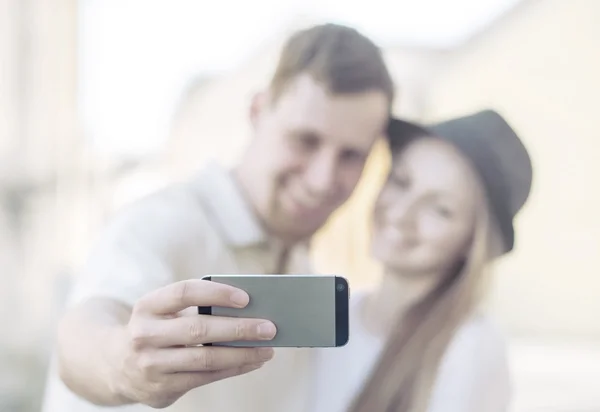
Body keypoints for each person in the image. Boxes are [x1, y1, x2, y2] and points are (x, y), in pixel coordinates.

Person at [41, 23, 394, 412]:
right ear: (258, 111)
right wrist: (124, 365)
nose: (322, 179)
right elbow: (82, 334)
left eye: (351, 155)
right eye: (305, 140)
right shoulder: (166, 222)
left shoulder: (301, 269)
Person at [311, 110, 533, 412]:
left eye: (439, 209)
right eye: (401, 182)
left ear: (472, 242)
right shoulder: (333, 319)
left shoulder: (469, 348)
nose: (401, 214)